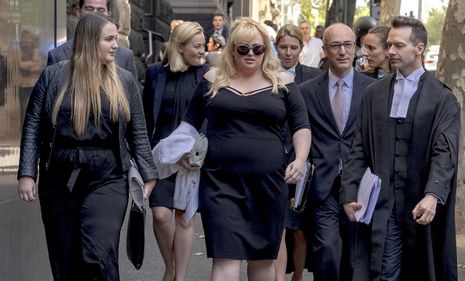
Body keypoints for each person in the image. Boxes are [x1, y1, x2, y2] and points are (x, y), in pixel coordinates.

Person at [17, 13, 157, 281]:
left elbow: (137, 130)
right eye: (109, 39)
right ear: (90, 42)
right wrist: (27, 173)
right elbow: (33, 124)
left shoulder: (124, 80)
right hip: (59, 178)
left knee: (98, 254)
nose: (116, 45)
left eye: (116, 38)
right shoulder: (53, 76)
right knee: (66, 258)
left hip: (108, 177)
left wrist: (148, 174)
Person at [182, 17, 311, 281]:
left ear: (266, 49)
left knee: (263, 261)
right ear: (232, 50)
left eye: (257, 48)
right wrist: (183, 152)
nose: (251, 54)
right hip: (220, 183)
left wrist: (299, 160)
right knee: (224, 258)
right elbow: (189, 123)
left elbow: (302, 127)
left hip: (268, 184)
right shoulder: (212, 78)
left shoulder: (284, 82)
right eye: (243, 49)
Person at [340, 16, 460, 281]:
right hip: (383, 205)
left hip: (420, 202)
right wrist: (349, 191)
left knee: (421, 270)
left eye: (399, 45)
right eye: (390, 45)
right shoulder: (375, 93)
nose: (391, 51)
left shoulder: (442, 98)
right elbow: (358, 146)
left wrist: (433, 195)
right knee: (382, 271)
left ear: (419, 48)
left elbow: (445, 152)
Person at [298, 23, 375, 281]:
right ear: (324, 49)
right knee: (327, 251)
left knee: (354, 258)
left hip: (360, 186)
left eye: (348, 45)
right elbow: (299, 135)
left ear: (356, 48)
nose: (342, 52)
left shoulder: (373, 90)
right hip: (323, 186)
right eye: (335, 46)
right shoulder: (307, 91)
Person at [142, 21, 209, 281]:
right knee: (160, 215)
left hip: (192, 159)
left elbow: (209, 119)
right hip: (160, 156)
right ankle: (170, 266)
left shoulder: (208, 74)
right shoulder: (155, 73)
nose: (203, 50)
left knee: (184, 217)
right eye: (197, 46)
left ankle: (177, 277)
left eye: (203, 45)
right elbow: (148, 118)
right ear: (180, 47)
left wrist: (195, 155)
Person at [273, 23, 322, 281]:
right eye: (283, 47)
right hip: (273, 155)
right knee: (277, 225)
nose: (288, 52)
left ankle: (298, 277)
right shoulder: (266, 73)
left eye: (293, 47)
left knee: (299, 228)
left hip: (303, 157)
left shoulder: (313, 75)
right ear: (276, 47)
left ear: (301, 48)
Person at [47, 0, 138, 80]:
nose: (94, 14)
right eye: (89, 9)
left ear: (108, 15)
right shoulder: (57, 55)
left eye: (100, 10)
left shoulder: (125, 56)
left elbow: (131, 96)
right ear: (79, 12)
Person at [16, 30, 41, 131]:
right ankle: (23, 128)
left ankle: (33, 128)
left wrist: (27, 65)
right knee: (23, 108)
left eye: (29, 38)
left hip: (33, 83)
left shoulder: (36, 50)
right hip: (21, 84)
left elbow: (38, 65)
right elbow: (19, 65)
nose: (27, 40)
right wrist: (32, 64)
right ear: (21, 39)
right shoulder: (17, 50)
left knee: (34, 107)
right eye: (25, 38)